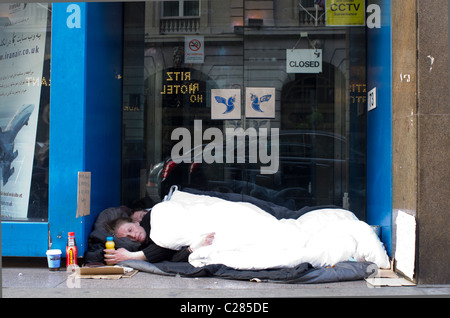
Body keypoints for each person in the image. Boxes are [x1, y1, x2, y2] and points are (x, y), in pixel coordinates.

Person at [104, 211, 214, 265]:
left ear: (136, 223)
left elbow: (166, 242)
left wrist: (131, 256)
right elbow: (171, 258)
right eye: (128, 237)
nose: (133, 236)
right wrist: (191, 249)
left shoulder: (150, 218)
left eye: (130, 230)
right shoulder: (146, 246)